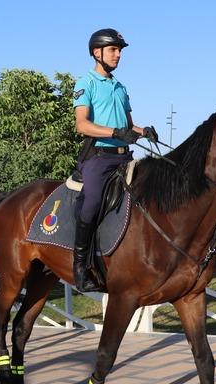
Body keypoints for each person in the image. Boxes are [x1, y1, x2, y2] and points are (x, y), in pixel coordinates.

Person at [72, 28, 159, 292]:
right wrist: (114, 132)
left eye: (120, 50)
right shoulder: (85, 83)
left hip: (125, 158)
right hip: (99, 158)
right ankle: (80, 267)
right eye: (113, 49)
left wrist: (144, 132)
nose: (118, 54)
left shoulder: (120, 88)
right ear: (97, 53)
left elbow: (128, 126)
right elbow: (82, 125)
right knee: (94, 200)